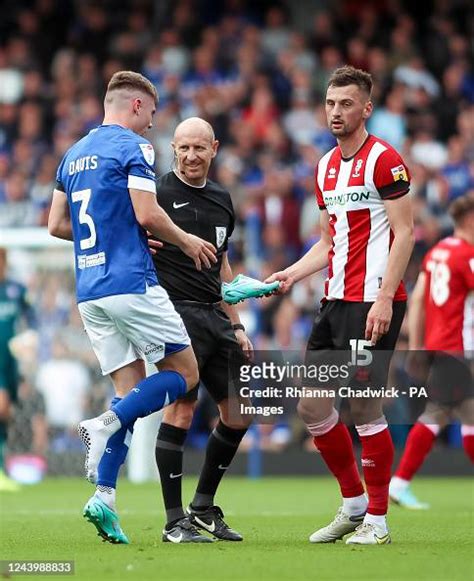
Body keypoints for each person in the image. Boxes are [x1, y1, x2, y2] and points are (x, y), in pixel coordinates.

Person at [48, 71, 217, 544]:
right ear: (138, 107)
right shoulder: (133, 148)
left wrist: (120, 231)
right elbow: (146, 212)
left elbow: (58, 226)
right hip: (131, 281)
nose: (151, 128)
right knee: (185, 374)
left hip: (91, 290)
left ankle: (104, 496)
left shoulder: (73, 153)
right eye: (151, 117)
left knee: (130, 389)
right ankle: (105, 424)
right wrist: (185, 241)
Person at [267, 65, 414, 545]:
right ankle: (352, 504)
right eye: (331, 103)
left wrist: (386, 300)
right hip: (333, 302)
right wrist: (291, 273)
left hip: (373, 302)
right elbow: (331, 242)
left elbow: (406, 233)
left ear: (366, 108)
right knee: (312, 404)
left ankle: (378, 519)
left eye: (346, 103)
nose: (336, 112)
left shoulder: (385, 161)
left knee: (364, 406)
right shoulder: (325, 167)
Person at [152, 117, 252, 543]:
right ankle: (174, 522)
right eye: (183, 148)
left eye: (199, 148)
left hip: (215, 314)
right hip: (174, 315)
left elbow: (222, 264)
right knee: (182, 410)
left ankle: (202, 506)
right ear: (172, 148)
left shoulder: (222, 198)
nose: (191, 156)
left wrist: (237, 322)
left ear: (214, 148)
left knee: (241, 412)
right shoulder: (155, 194)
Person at [390, 193, 474, 509]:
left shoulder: (438, 252)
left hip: (440, 347)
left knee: (447, 415)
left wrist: (416, 346)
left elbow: (418, 300)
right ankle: (398, 484)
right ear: (469, 220)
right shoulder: (466, 256)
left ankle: (399, 484)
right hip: (460, 348)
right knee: (448, 415)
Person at [0, 248, 35, 491]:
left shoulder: (16, 290)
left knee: (7, 414)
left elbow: (31, 319)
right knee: (1, 409)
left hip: (10, 361)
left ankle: (2, 468)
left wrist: (29, 339)